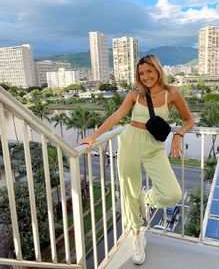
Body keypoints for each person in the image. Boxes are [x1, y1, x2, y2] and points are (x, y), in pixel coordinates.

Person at [79, 54, 195, 265]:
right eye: (141, 73)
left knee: (172, 194)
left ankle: (147, 199)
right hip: (130, 142)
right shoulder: (135, 95)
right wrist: (94, 137)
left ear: (158, 70)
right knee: (128, 190)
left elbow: (189, 120)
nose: (145, 76)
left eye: (149, 71)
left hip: (154, 147)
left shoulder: (172, 93)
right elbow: (116, 117)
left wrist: (178, 135)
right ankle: (136, 236)